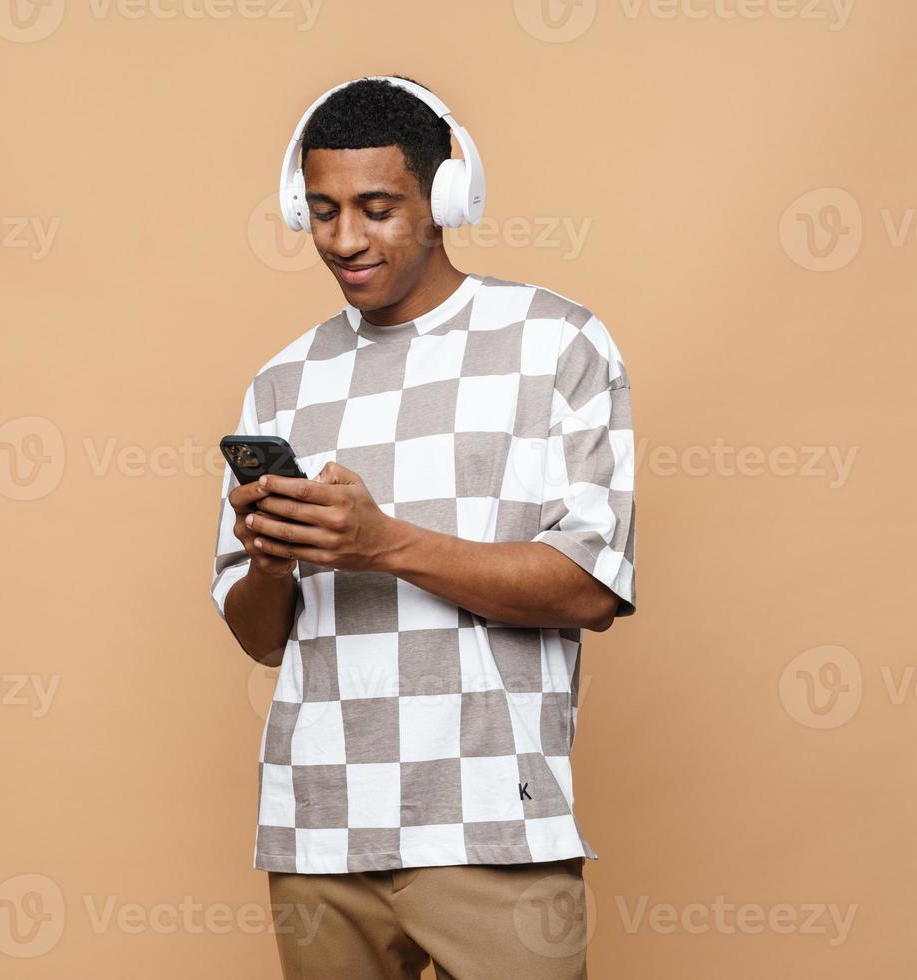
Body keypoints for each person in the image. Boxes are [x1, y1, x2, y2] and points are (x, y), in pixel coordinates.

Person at [209, 75, 637, 980]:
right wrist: (272, 563)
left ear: (447, 199)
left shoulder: (555, 342)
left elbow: (592, 587)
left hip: (494, 820)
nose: (345, 239)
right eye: (322, 212)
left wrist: (380, 543)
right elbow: (257, 639)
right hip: (318, 826)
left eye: (376, 208)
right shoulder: (282, 382)